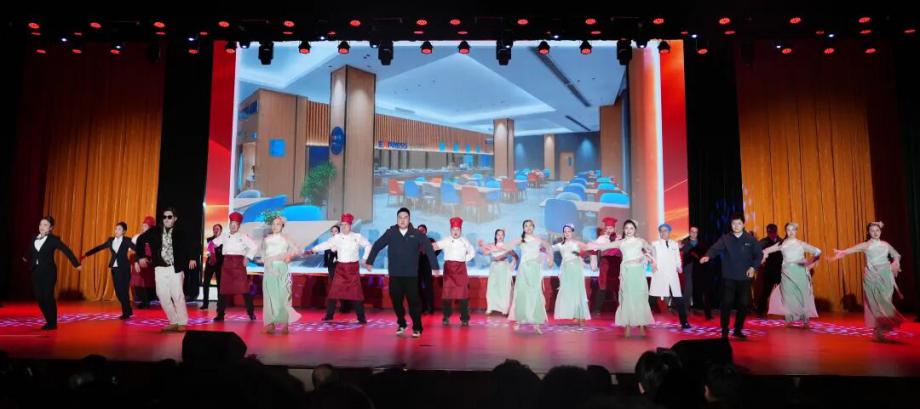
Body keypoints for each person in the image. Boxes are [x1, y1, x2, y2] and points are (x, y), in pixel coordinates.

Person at [364, 207, 440, 338]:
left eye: (405, 217)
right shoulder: (391, 232)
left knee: (414, 302)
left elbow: (428, 248)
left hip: (411, 275)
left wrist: (435, 267)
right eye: (400, 217)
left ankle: (417, 327)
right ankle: (402, 323)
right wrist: (370, 261)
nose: (402, 220)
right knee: (396, 301)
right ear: (397, 219)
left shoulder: (416, 233)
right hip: (395, 274)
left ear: (409, 219)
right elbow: (377, 245)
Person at [833, 221, 904, 341]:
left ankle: (881, 329)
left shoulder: (885, 244)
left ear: (880, 231)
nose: (875, 233)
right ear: (868, 232)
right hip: (872, 276)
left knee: (885, 302)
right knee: (875, 303)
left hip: (885, 276)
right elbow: (850, 250)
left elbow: (896, 255)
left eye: (877, 230)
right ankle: (878, 331)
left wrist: (896, 262)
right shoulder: (866, 245)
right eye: (872, 231)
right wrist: (841, 252)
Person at [700, 212, 763, 339]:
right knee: (726, 304)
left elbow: (759, 255)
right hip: (728, 277)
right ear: (731, 224)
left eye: (739, 223)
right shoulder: (725, 238)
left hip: (745, 277)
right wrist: (708, 256)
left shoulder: (750, 239)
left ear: (743, 224)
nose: (736, 226)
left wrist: (753, 267)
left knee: (743, 304)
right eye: (734, 224)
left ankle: (738, 330)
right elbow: (715, 248)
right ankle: (724, 330)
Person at [136, 207, 198, 332]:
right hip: (160, 267)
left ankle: (182, 322)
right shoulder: (155, 230)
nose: (166, 219)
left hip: (175, 267)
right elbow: (140, 240)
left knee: (177, 295)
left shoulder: (180, 232)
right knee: (161, 294)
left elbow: (191, 243)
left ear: (175, 218)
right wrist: (140, 256)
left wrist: (192, 257)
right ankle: (173, 321)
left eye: (169, 217)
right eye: (164, 217)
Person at [591, 219, 656, 337]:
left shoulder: (640, 241)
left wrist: (651, 260)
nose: (629, 230)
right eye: (626, 228)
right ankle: (627, 326)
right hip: (626, 272)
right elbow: (604, 246)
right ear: (623, 230)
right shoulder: (621, 242)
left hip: (638, 273)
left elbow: (651, 250)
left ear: (635, 230)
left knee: (640, 298)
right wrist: (588, 246)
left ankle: (642, 325)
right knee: (627, 298)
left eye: (631, 228)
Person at [308, 213, 372, 324]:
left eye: (346, 224)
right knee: (334, 292)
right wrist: (313, 250)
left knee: (356, 293)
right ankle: (329, 316)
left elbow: (368, 245)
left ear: (350, 225)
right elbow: (326, 244)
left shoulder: (357, 236)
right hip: (341, 268)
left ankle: (361, 317)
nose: (344, 227)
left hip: (352, 269)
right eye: (342, 225)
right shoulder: (337, 238)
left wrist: (364, 258)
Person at [22, 216, 81, 330]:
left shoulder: (53, 240)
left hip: (49, 272)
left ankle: (52, 323)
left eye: (45, 225)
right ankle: (49, 320)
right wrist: (25, 257)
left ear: (50, 228)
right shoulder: (34, 237)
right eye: (41, 224)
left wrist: (76, 264)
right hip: (36, 271)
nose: (42, 227)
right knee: (39, 297)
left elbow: (66, 250)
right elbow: (30, 249)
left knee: (47, 296)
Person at [761, 222, 821, 328]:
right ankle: (789, 320)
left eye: (793, 229)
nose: (791, 232)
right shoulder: (782, 244)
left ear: (796, 231)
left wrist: (809, 262)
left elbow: (817, 251)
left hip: (800, 273)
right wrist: (763, 258)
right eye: (788, 230)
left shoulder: (801, 244)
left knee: (803, 296)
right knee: (787, 297)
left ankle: (805, 321)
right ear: (786, 231)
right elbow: (766, 250)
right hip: (786, 274)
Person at [506, 219, 553, 334]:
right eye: (526, 226)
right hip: (524, 269)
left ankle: (536, 323)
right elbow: (507, 246)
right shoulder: (521, 239)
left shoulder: (538, 239)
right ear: (523, 228)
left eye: (530, 225)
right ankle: (519, 320)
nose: (528, 227)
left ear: (533, 227)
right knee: (522, 293)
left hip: (535, 269)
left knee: (535, 293)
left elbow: (548, 247)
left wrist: (549, 258)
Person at [83, 221, 137, 320]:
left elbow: (137, 249)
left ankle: (126, 313)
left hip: (124, 269)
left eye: (119, 229)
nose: (116, 231)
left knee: (123, 291)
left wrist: (140, 259)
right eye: (116, 229)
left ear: (124, 231)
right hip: (114, 268)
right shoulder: (110, 240)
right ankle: (129, 310)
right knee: (118, 293)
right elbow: (99, 247)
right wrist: (87, 254)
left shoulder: (127, 240)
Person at [211, 211, 258, 322]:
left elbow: (254, 246)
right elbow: (212, 244)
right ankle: (220, 314)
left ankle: (251, 313)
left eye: (235, 224)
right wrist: (212, 253)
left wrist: (247, 257)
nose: (233, 226)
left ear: (239, 226)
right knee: (223, 291)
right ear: (229, 225)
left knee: (244, 290)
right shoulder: (224, 236)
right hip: (226, 265)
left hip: (238, 265)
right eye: (232, 224)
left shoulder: (243, 236)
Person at [258, 215, 302, 334]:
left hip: (282, 268)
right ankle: (270, 324)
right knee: (269, 297)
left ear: (282, 226)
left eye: (277, 224)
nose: (275, 226)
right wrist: (265, 262)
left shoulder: (286, 238)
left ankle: (285, 324)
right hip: (269, 269)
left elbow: (297, 250)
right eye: (273, 224)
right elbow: (263, 254)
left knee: (283, 296)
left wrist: (289, 256)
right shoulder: (266, 239)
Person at [432, 217, 476, 326]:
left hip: (461, 270)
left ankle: (464, 318)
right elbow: (435, 246)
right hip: (449, 270)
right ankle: (446, 316)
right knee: (447, 295)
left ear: (461, 230)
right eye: (453, 230)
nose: (455, 232)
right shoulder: (446, 240)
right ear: (450, 230)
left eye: (457, 230)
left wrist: (464, 259)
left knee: (463, 295)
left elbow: (472, 252)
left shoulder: (464, 241)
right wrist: (425, 246)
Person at [651, 223, 691, 329]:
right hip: (660, 274)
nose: (663, 232)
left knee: (679, 298)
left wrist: (679, 266)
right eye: (661, 231)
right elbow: (652, 257)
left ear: (669, 232)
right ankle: (642, 321)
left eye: (665, 230)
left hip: (672, 275)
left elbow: (677, 257)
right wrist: (653, 265)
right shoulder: (655, 244)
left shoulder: (674, 244)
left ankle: (684, 322)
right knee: (652, 298)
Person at [551, 224, 592, 325]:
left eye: (569, 231)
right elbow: (550, 248)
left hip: (576, 269)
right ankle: (575, 314)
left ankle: (581, 316)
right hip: (565, 270)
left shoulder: (577, 243)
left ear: (572, 232)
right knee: (568, 292)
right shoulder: (560, 245)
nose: (567, 233)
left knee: (578, 292)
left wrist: (581, 255)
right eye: (565, 231)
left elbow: (589, 248)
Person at [478, 229, 517, 316]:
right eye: (498, 234)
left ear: (504, 236)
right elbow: (485, 253)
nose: (500, 236)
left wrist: (512, 265)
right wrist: (482, 246)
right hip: (494, 268)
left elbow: (515, 256)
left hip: (504, 267)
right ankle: (490, 307)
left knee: (504, 288)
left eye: (502, 235)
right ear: (495, 236)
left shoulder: (507, 246)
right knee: (492, 287)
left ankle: (504, 309)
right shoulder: (491, 245)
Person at [591, 217, 622, 315]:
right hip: (605, 264)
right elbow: (593, 249)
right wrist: (594, 264)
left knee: (618, 287)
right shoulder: (601, 238)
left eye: (611, 228)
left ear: (615, 228)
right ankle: (597, 309)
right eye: (607, 228)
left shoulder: (620, 238)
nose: (609, 230)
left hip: (617, 264)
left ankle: (622, 310)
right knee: (602, 286)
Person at [680, 226, 712, 319]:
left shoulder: (702, 243)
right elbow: (683, 251)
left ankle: (704, 310)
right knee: (688, 288)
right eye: (692, 231)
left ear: (697, 233)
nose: (694, 233)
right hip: (689, 267)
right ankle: (685, 309)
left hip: (700, 268)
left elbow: (706, 254)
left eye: (696, 232)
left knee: (702, 288)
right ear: (689, 232)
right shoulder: (684, 242)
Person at [130, 216, 157, 309]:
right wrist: (136, 261)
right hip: (139, 262)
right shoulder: (138, 237)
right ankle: (143, 301)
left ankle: (147, 301)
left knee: (148, 283)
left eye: (146, 226)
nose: (143, 227)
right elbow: (135, 251)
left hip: (150, 263)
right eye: (143, 225)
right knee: (138, 281)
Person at [757, 224, 782, 318]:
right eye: (770, 232)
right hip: (769, 271)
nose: (772, 234)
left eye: (773, 231)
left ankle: (787, 311)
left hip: (780, 270)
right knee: (765, 292)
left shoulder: (781, 241)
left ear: (776, 231)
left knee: (785, 291)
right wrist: (761, 262)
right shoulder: (763, 242)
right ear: (767, 232)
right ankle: (760, 311)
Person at [416, 224, 440, 315]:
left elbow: (439, 250)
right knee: (418, 287)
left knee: (428, 287)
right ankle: (422, 307)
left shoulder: (430, 240)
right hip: (417, 266)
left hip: (427, 266)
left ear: (426, 231)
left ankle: (430, 308)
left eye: (422, 230)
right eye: (419, 230)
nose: (420, 232)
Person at [200, 223, 223, 310]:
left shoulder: (224, 240)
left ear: (221, 230)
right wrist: (210, 256)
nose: (215, 230)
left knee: (219, 284)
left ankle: (219, 304)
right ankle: (205, 303)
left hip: (219, 263)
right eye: (214, 229)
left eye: (217, 229)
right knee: (206, 283)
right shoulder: (209, 239)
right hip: (210, 263)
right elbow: (209, 251)